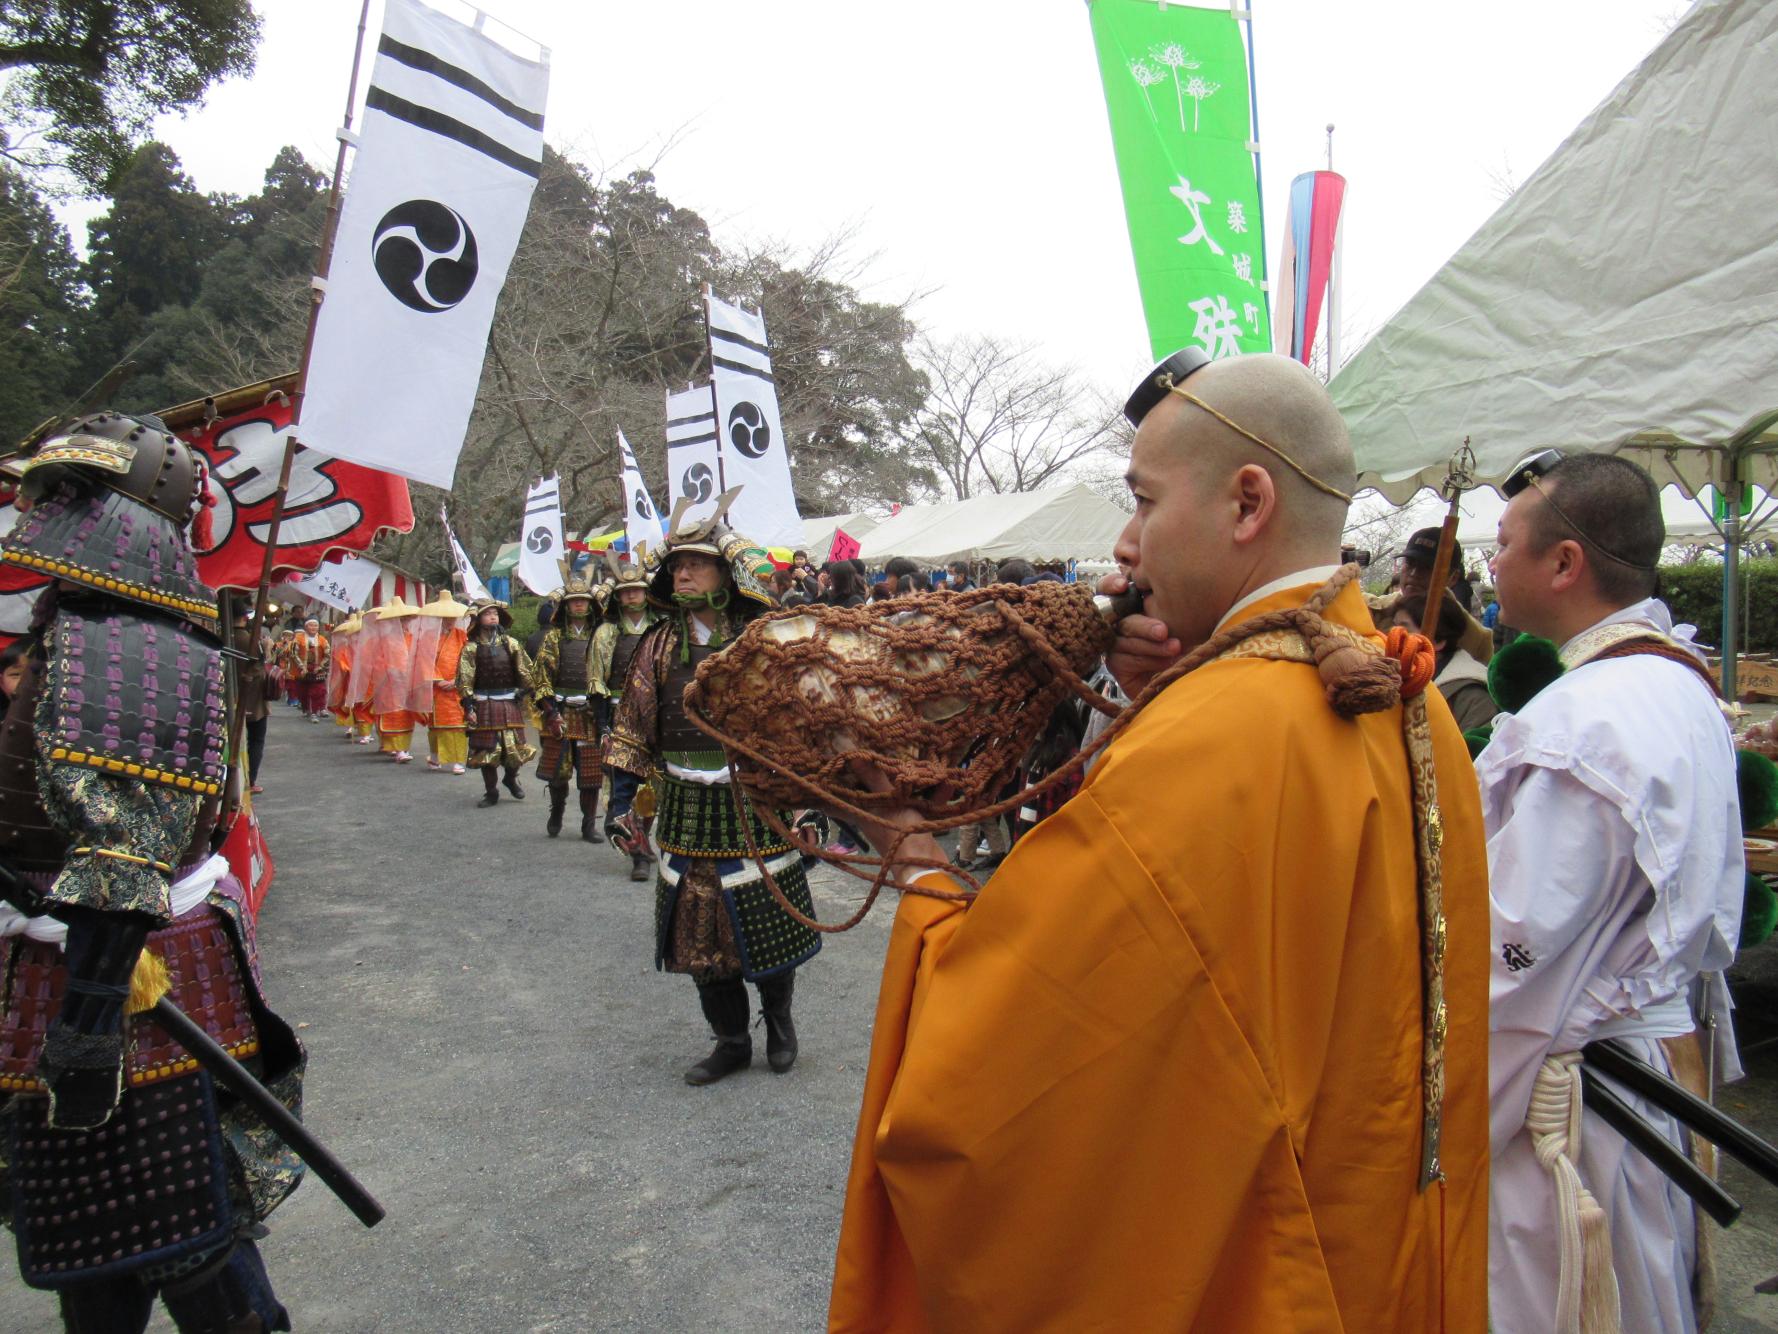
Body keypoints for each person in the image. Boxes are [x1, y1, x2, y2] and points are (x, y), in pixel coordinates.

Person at [827, 351, 1489, 1330]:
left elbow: (1009, 1080)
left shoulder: (1221, 732)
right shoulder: (1408, 699)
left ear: (1245, 502)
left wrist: (911, 852)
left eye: (1141, 501)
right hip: (1375, 1251)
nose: (1126, 543)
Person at [0, 411, 306, 1330]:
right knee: (89, 1241)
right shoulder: (84, 624)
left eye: (68, 498)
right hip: (67, 950)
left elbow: (122, 853)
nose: (45, 516)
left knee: (176, 1223)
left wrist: (90, 1026)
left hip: (121, 969)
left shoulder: (138, 650)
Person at [1480, 452, 1741, 1332]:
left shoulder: (1585, 724)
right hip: (1632, 1079)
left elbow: (1512, 966)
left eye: (1506, 542)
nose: (1491, 563)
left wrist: (1427, 1125)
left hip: (1573, 1105)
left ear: (1564, 564)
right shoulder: (1675, 681)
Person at [605, 507, 821, 1084]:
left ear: (728, 574)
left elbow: (798, 728)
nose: (684, 575)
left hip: (753, 800)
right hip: (682, 805)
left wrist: (808, 807)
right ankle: (729, 1041)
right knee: (699, 933)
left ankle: (778, 1022)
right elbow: (632, 724)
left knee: (766, 917)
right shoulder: (655, 645)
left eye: (698, 564)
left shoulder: (762, 644)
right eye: (677, 565)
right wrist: (621, 801)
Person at [591, 557, 660, 880]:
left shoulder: (661, 627)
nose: (632, 597)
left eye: (638, 591)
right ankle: (638, 855)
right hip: (621, 719)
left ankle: (643, 840)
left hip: (659, 719)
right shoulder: (606, 632)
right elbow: (596, 681)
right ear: (618, 597)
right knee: (624, 791)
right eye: (626, 592)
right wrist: (602, 724)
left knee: (655, 790)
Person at [530, 562, 606, 841]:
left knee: (590, 771)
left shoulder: (601, 636)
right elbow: (542, 678)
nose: (578, 606)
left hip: (588, 713)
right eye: (573, 601)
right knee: (558, 771)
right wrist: (550, 711)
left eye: (583, 601)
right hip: (561, 710)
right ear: (565, 605)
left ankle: (588, 824)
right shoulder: (554, 637)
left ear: (590, 605)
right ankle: (557, 811)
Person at [457, 598, 536, 807]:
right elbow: (465, 679)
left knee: (514, 749)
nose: (493, 616)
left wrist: (526, 690)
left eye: (495, 613)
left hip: (509, 702)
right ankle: (491, 792)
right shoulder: (471, 649)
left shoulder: (511, 644)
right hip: (484, 703)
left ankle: (510, 778)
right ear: (478, 619)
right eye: (487, 613)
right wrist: (468, 705)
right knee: (486, 752)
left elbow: (526, 671)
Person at [1375, 528, 1494, 664]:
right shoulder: (1376, 611)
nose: (1413, 573)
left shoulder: (1475, 639)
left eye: (1426, 567)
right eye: (1409, 563)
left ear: (1453, 577)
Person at [1390, 590, 1499, 732]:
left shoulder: (1471, 695)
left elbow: (1473, 750)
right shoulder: (1389, 679)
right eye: (1393, 628)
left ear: (1439, 640)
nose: (1392, 637)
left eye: (1404, 630)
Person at [419, 592, 471, 774]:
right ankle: (434, 757)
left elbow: (469, 661)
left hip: (457, 687)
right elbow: (424, 660)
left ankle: (457, 760)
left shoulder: (463, 636)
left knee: (457, 725)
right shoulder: (428, 637)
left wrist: (456, 680)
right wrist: (439, 680)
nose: (450, 621)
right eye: (446, 618)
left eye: (452, 618)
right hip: (436, 688)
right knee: (435, 726)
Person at [232, 605, 271, 793]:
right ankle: (250, 780)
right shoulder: (249, 640)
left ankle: (236, 781)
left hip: (232, 695)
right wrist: (268, 651)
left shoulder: (222, 637)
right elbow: (260, 672)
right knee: (255, 740)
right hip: (252, 698)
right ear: (244, 618)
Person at [289, 616, 330, 721]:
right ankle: (307, 709)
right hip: (303, 670)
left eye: (316, 625)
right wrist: (301, 666)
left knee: (317, 691)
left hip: (317, 670)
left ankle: (314, 712)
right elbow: (293, 654)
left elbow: (328, 655)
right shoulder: (298, 638)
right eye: (311, 625)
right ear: (306, 626)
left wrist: (321, 666)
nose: (313, 627)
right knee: (303, 692)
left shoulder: (322, 639)